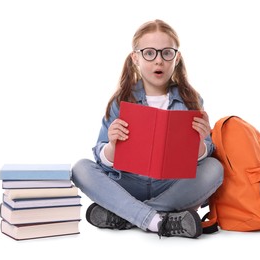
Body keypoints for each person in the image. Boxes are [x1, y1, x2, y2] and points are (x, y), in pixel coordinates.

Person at [72, 19, 224, 239]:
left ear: (176, 58)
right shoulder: (121, 101)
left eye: (166, 53)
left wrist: (201, 142)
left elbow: (203, 156)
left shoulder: (191, 100)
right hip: (128, 183)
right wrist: (113, 145)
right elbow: (99, 156)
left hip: (171, 186)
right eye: (149, 53)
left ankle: (131, 214)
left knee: (214, 167)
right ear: (136, 58)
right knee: (80, 168)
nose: (159, 61)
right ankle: (160, 220)